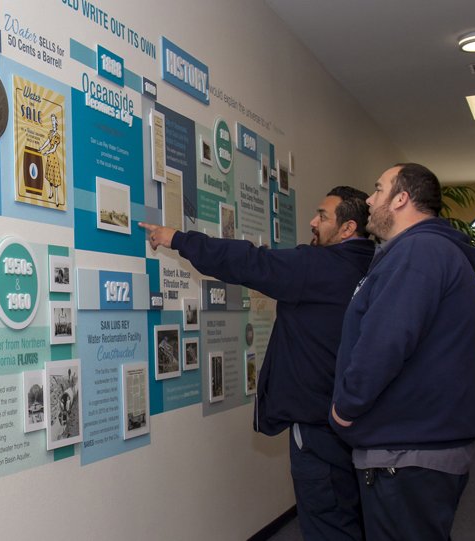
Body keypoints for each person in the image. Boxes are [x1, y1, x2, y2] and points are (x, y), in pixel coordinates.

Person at [140, 186, 375, 540]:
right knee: (351, 517)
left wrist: (178, 239)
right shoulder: (371, 267)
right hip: (352, 422)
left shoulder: (321, 267)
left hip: (319, 425)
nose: (312, 222)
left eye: (323, 217)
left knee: (327, 522)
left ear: (347, 228)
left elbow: (251, 262)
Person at [330, 163, 475, 540]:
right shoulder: (426, 252)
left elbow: (386, 341)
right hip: (417, 448)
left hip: (409, 453)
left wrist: (345, 408)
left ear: (401, 199)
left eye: (378, 189)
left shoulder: (418, 252)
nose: (369, 200)